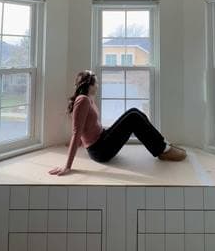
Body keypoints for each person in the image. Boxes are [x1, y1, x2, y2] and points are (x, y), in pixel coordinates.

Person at [49, 70, 186, 176]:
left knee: (134, 112)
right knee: (133, 117)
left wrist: (79, 143)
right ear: (89, 85)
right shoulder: (82, 100)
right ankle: (163, 150)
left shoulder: (88, 99)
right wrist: (67, 166)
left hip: (102, 139)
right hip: (100, 150)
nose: (98, 85)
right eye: (96, 83)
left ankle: (162, 146)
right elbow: (77, 132)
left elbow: (85, 128)